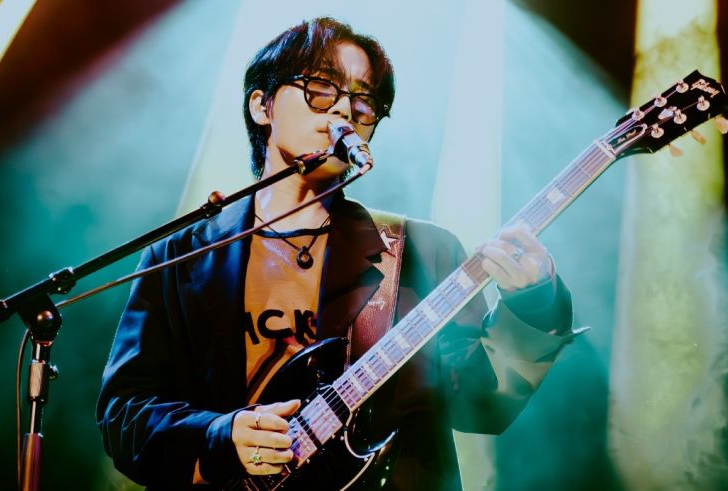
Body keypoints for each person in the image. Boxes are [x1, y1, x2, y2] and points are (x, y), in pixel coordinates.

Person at [97, 17, 576, 490]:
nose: (345, 112)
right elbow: (124, 413)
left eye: (364, 102)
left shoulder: (420, 252)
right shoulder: (182, 255)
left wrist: (534, 301)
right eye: (321, 89)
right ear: (262, 106)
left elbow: (484, 403)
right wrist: (217, 437)